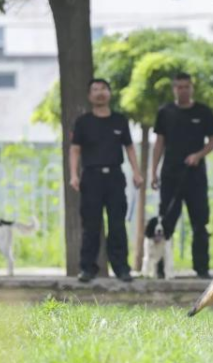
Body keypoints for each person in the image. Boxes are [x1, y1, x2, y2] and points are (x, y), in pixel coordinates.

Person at [69, 79, 144, 283]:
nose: (100, 93)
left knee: (117, 224)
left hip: (114, 177)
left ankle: (121, 268)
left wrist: (136, 173)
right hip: (91, 177)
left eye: (103, 89)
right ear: (89, 96)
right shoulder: (83, 122)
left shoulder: (119, 120)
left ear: (110, 93)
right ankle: (87, 268)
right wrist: (74, 175)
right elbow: (75, 149)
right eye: (95, 89)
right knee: (91, 225)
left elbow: (129, 148)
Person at [151, 72, 213, 279]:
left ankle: (201, 267)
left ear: (192, 88)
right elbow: (159, 142)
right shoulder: (165, 112)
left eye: (186, 86)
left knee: (199, 221)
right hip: (170, 174)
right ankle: (161, 268)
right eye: (179, 87)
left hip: (195, 175)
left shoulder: (204, 112)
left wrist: (198, 155)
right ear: (174, 89)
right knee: (166, 221)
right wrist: (153, 171)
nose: (183, 90)